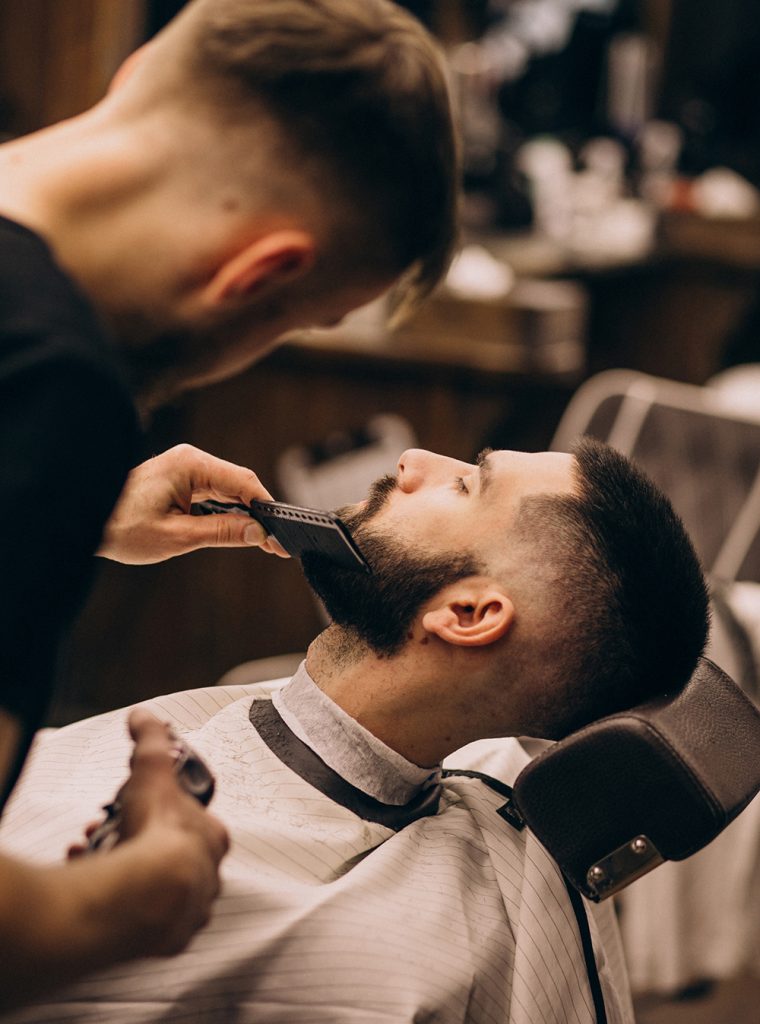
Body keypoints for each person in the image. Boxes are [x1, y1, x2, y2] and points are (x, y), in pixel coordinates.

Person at [0, 0, 457, 1007]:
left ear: (137, 79)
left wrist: (73, 514)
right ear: (261, 275)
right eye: (304, 320)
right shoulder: (48, 387)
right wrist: (142, 895)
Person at [0, 439, 710, 1023]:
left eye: (467, 485)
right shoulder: (496, 773)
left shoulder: (329, 941)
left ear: (467, 615)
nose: (411, 459)